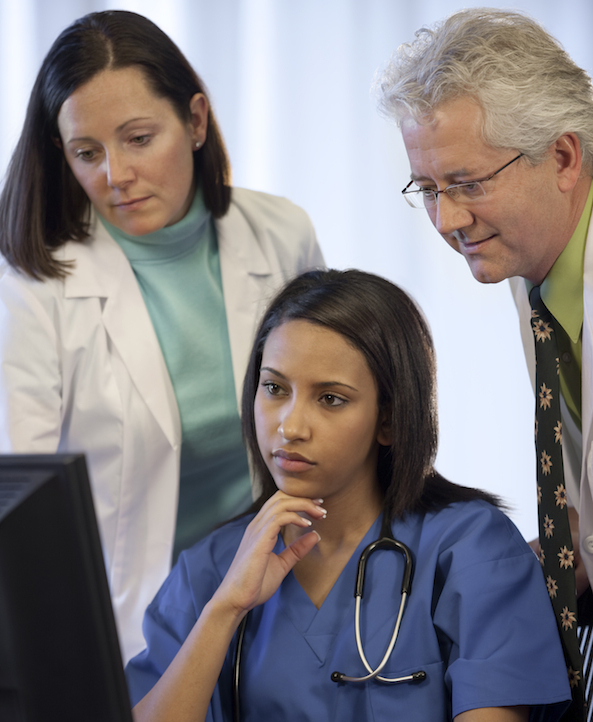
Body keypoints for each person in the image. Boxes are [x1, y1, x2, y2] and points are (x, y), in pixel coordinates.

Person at [0, 10, 323, 663]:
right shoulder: (32, 286)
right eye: (86, 152)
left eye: (138, 138)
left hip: (278, 602)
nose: (114, 174)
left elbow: (336, 405)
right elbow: (17, 501)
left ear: (195, 121)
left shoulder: (280, 234)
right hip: (119, 632)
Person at [125, 268, 571, 722]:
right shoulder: (210, 571)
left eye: (331, 399)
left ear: (389, 419)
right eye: (275, 388)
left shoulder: (472, 549)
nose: (291, 427)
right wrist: (225, 610)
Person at [377, 8, 593, 716]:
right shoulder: (534, 268)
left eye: (466, 183)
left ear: (561, 158)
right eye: (428, 188)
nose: (446, 221)